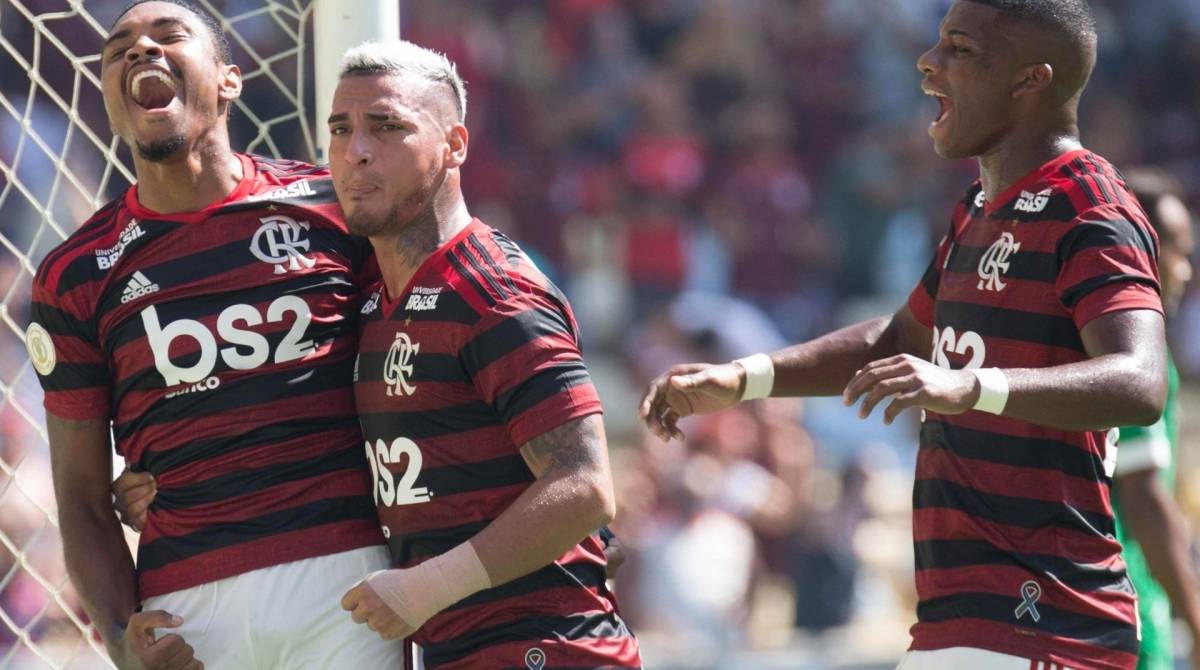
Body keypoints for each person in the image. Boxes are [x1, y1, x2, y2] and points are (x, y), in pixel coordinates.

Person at [640, 1, 1166, 668]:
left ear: (1030, 80)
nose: (927, 63)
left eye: (960, 50)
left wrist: (969, 385)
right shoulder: (977, 209)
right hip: (964, 620)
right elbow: (901, 338)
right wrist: (746, 379)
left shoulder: (1090, 207)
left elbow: (1140, 380)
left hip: (1046, 619)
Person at [24, 1, 403, 667]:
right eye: (119, 51)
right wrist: (121, 640)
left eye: (168, 36)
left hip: (350, 583)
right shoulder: (74, 274)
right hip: (187, 609)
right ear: (111, 107)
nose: (141, 51)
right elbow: (81, 495)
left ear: (229, 79)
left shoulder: (335, 209)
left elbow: (428, 359)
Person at [328, 40, 642, 669]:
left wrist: (426, 588)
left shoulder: (492, 292)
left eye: (387, 127)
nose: (356, 149)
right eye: (341, 129)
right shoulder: (366, 295)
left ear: (455, 145)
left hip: (545, 650)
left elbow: (583, 487)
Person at [1112, 168, 1200, 670]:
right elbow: (1143, 499)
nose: (1185, 270)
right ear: (1140, 250)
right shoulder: (1136, 358)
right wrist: (1196, 619)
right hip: (1128, 616)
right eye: (1179, 252)